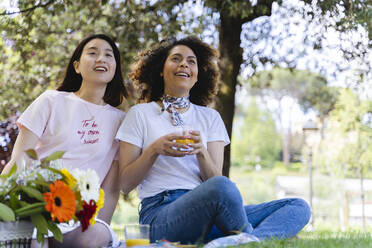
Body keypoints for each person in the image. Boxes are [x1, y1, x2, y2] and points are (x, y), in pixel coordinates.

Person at [116, 36, 311, 244]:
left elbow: (214, 179)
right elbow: (126, 184)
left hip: (210, 211)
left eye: (191, 61)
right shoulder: (140, 114)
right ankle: (249, 237)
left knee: (298, 207)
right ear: (161, 70)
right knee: (222, 187)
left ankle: (232, 240)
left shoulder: (210, 117)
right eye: (176, 59)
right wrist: (154, 149)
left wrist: (201, 152)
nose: (184, 64)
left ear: (197, 75)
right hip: (161, 215)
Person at [1, 34, 127, 248]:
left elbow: (112, 188)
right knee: (31, 236)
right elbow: (20, 159)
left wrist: (99, 224)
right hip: (37, 200)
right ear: (77, 66)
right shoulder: (51, 100)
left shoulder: (121, 122)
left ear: (115, 68)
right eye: (93, 53)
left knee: (94, 236)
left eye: (109, 55)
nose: (101, 59)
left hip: (79, 217)